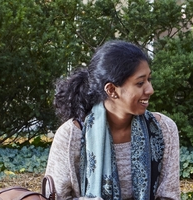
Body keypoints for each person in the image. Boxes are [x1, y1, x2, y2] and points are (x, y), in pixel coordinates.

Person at [46, 40, 180, 200]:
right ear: (111, 90)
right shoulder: (71, 135)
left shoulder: (163, 129)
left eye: (149, 79)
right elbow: (54, 197)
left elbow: (169, 196)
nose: (150, 89)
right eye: (140, 83)